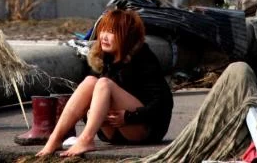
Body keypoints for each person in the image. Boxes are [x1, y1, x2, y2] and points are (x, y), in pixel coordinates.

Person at [36, 9, 172, 157]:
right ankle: (55, 139)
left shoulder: (144, 58)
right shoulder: (102, 58)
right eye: (103, 30)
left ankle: (86, 139)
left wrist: (128, 117)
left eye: (111, 32)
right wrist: (91, 114)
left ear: (127, 35)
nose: (104, 37)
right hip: (111, 133)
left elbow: (163, 103)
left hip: (142, 129)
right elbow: (87, 102)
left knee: (104, 83)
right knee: (90, 81)